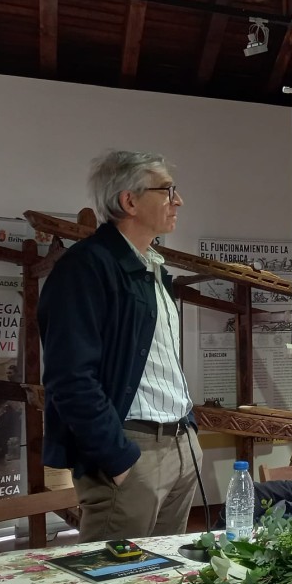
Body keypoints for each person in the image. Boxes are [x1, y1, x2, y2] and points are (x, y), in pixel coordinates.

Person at [38, 150, 202, 543]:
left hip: (180, 446)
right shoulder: (85, 267)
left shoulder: (154, 268)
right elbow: (69, 378)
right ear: (129, 201)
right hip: (132, 450)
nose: (178, 201)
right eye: (167, 191)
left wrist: (189, 434)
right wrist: (118, 458)